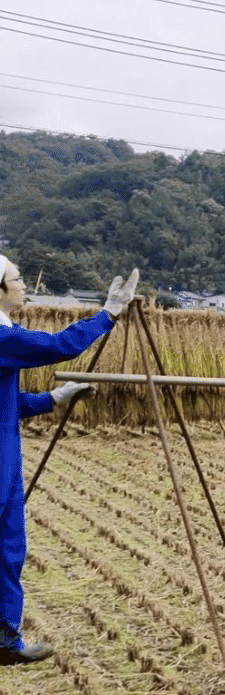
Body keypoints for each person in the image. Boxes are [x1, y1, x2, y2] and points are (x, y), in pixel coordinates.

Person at [0, 256, 139, 664]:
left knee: (9, 549)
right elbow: (61, 346)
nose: (25, 285)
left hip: (6, 457)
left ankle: (5, 640)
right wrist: (108, 313)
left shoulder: (8, 334)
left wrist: (54, 398)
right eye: (18, 279)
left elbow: (9, 405)